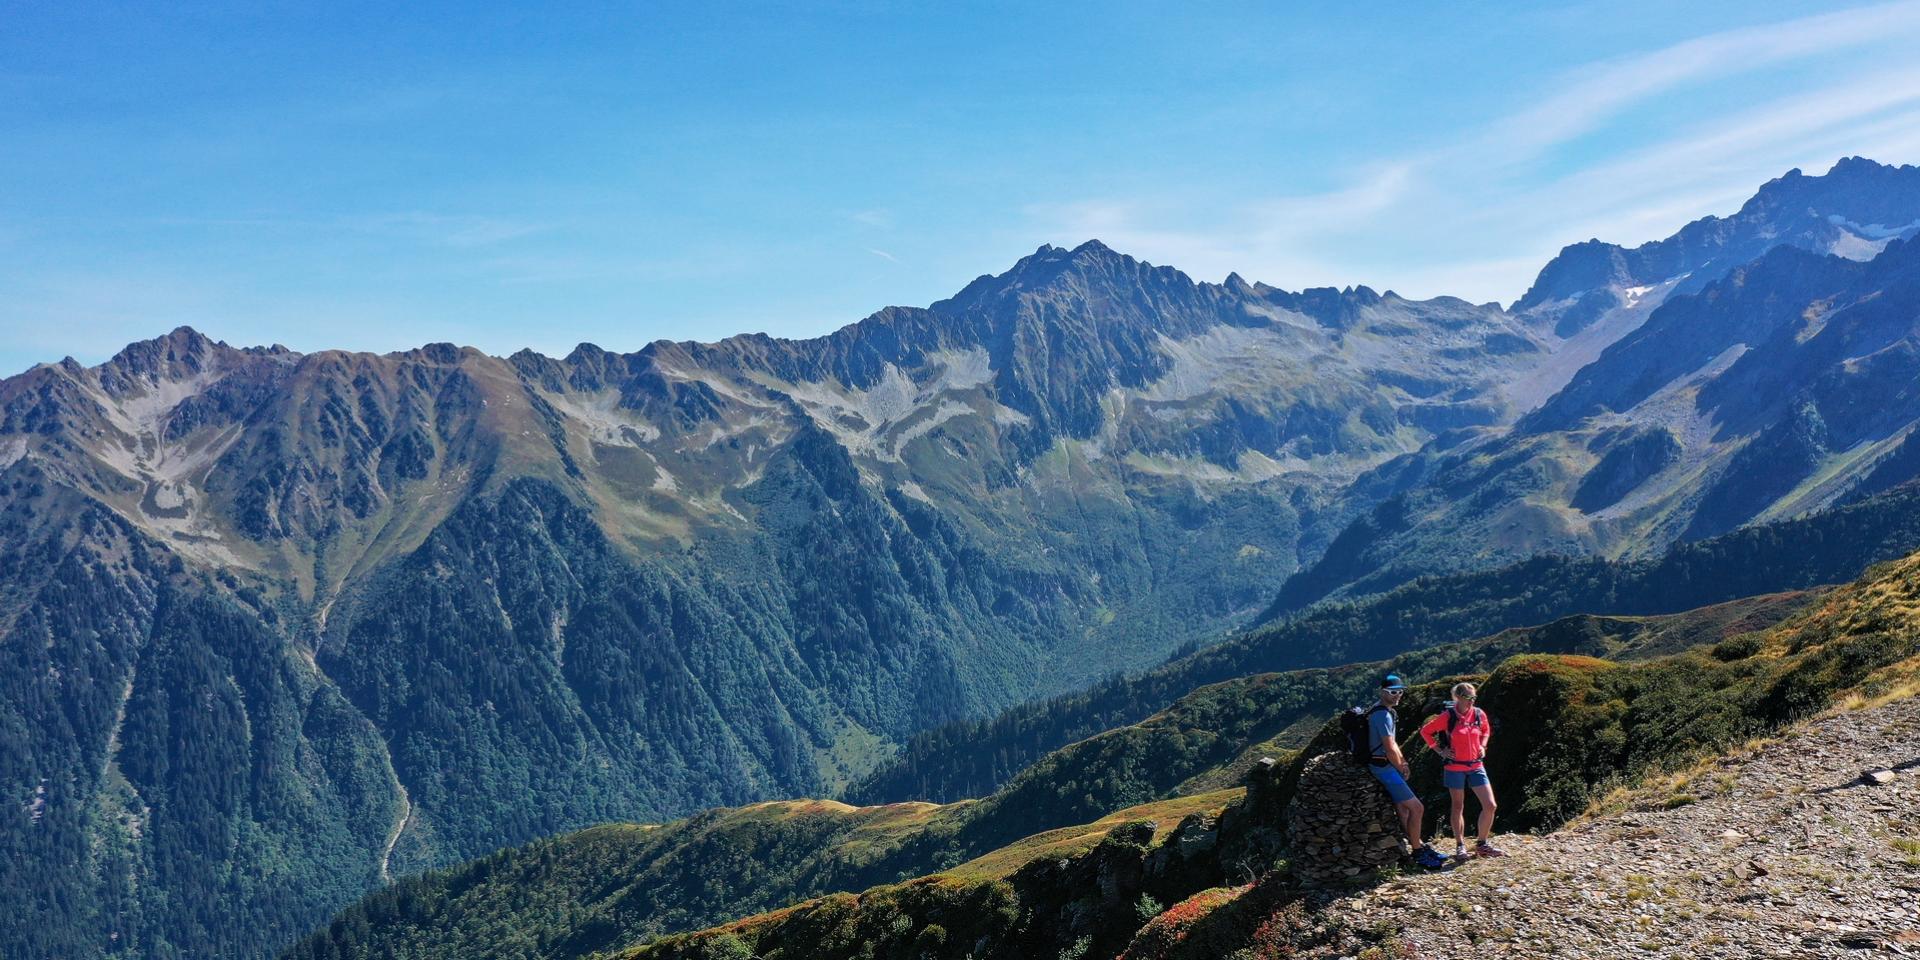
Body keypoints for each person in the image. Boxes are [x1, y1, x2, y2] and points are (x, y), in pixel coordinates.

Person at [1368, 674, 1449, 870]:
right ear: (1382, 692)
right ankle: (1418, 852)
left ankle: (1417, 844)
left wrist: (1403, 763)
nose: (1398, 696)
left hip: (1384, 764)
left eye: (1400, 692)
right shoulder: (1382, 715)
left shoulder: (1384, 712)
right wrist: (1399, 767)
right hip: (1383, 767)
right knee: (1417, 808)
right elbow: (1388, 747)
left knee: (1403, 808)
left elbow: (1394, 744)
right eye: (1393, 692)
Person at [1419, 682, 1505, 859]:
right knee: (1458, 805)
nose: (1472, 701)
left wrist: (1483, 745)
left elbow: (1486, 730)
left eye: (1474, 697)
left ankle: (1482, 844)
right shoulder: (1447, 716)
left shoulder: (1479, 714)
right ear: (1458, 697)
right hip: (1454, 766)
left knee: (1490, 805)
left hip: (1476, 765)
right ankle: (1460, 845)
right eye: (1468, 698)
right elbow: (1426, 731)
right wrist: (1440, 750)